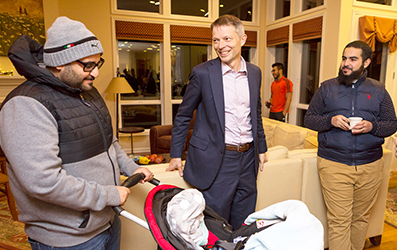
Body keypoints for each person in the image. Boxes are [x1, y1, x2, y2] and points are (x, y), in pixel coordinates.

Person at [0, 17, 153, 250]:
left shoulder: (86, 91)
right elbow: (43, 182)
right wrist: (108, 195)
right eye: (88, 65)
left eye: (97, 64)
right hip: (69, 239)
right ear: (60, 62)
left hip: (106, 223)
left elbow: (108, 143)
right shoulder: (25, 104)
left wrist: (132, 168)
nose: (95, 73)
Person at [166, 14, 267, 230]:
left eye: (227, 39)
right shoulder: (202, 73)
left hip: (249, 159)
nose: (220, 46)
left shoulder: (255, 73)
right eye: (215, 40)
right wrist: (175, 154)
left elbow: (255, 114)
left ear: (243, 39)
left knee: (244, 222)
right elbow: (184, 115)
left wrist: (262, 148)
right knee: (216, 224)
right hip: (218, 160)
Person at [304, 40, 397, 250]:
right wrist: (331, 121)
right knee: (339, 220)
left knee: (360, 218)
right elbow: (309, 119)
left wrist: (371, 126)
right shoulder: (327, 88)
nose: (346, 63)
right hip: (334, 163)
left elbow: (391, 124)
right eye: (344, 58)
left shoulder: (379, 90)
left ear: (365, 63)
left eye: (352, 59)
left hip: (370, 165)